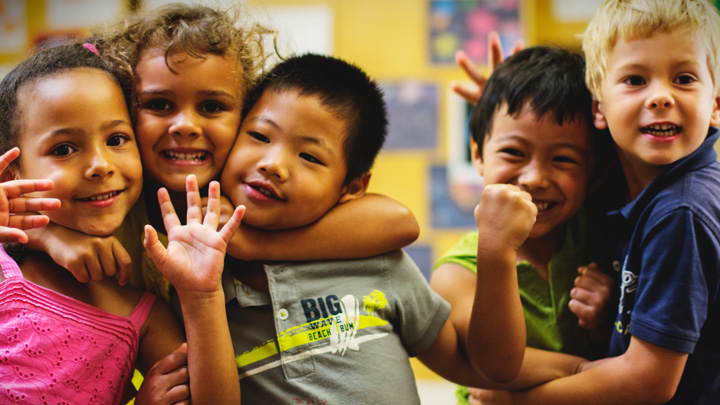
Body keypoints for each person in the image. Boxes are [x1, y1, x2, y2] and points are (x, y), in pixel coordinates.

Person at [215, 52, 587, 403]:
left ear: (354, 187)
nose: (274, 164)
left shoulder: (378, 265)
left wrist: (576, 369)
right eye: (260, 136)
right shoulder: (200, 269)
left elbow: (466, 360)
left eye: (310, 156)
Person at [25, 2, 419, 305]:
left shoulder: (252, 196)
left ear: (245, 118)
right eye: (159, 105)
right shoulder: (112, 199)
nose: (185, 125)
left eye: (212, 107)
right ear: (128, 113)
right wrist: (50, 236)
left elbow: (397, 222)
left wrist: (252, 243)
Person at [471, 0, 720, 403]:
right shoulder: (624, 185)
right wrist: (507, 101)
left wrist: (517, 401)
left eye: (685, 78)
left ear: (716, 104)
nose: (661, 97)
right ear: (598, 108)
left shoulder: (682, 212)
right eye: (636, 80)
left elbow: (647, 380)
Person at [0, 42, 243, 404]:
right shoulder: (5, 270)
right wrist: (45, 235)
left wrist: (201, 296)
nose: (100, 164)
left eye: (116, 139)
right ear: (11, 172)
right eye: (64, 148)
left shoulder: (144, 316)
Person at [433, 46, 616, 405]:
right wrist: (581, 369)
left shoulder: (602, 231)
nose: (533, 178)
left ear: (596, 171)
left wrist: (606, 317)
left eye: (563, 159)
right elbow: (496, 366)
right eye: (513, 153)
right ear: (477, 153)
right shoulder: (458, 273)